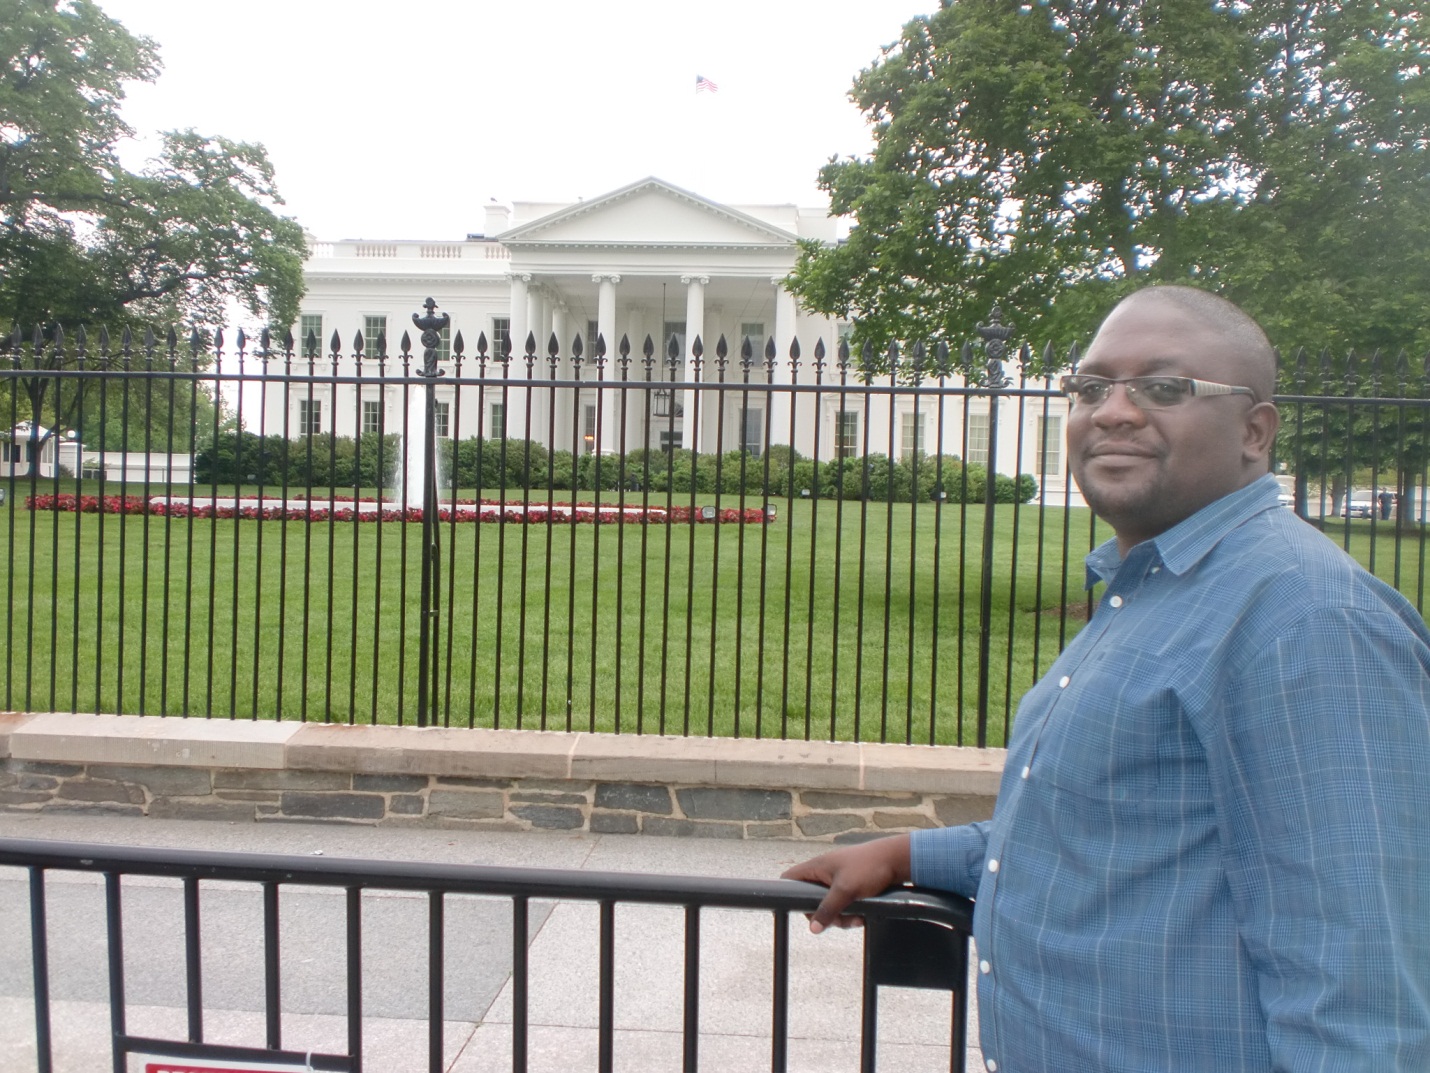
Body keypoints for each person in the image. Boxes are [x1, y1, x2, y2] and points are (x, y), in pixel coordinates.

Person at [784, 286, 1430, 1072]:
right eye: (1091, 386)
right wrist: (909, 852)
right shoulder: (1152, 589)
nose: (1114, 411)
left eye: (1164, 387)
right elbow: (1101, 827)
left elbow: (1363, 987)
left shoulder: (1305, 615)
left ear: (1255, 431)